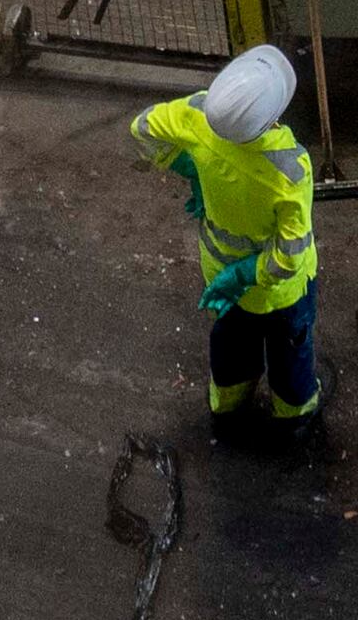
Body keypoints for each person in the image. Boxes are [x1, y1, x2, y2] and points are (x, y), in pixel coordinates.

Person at [128, 43, 323, 448]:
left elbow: (143, 128)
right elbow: (290, 254)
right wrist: (248, 274)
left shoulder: (199, 114)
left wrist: (188, 166)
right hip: (279, 293)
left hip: (218, 274)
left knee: (232, 344)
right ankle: (295, 415)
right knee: (290, 353)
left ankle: (228, 407)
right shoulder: (289, 169)